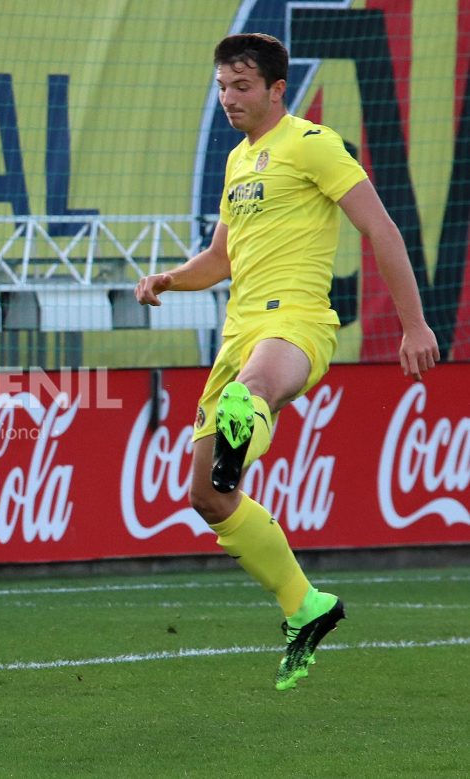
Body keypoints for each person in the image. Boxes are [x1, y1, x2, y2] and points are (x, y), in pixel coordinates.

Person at [135, 33, 439, 690]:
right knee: (208, 497)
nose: (228, 99)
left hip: (294, 321)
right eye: (221, 86)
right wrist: (170, 278)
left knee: (255, 391)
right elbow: (220, 259)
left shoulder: (313, 144)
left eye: (241, 87)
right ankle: (306, 605)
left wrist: (414, 322)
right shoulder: (239, 163)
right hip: (237, 332)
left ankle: (245, 425)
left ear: (277, 89)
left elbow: (380, 228)